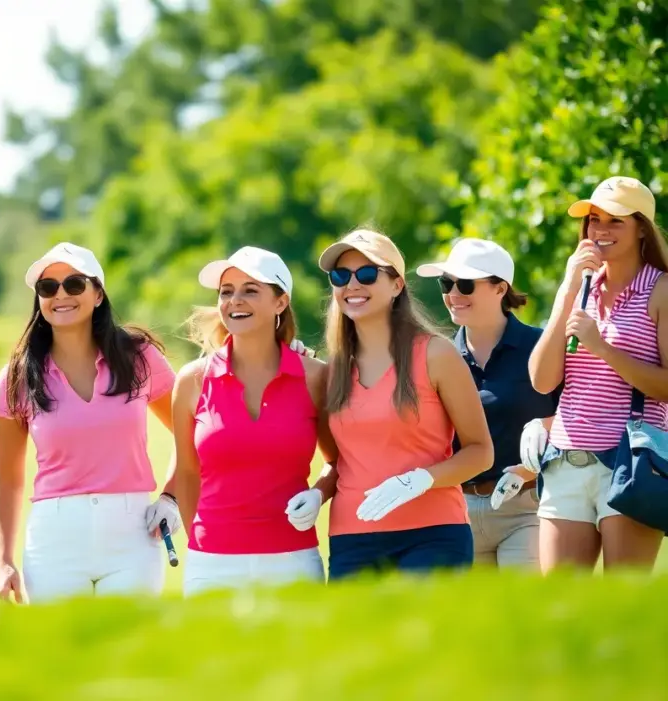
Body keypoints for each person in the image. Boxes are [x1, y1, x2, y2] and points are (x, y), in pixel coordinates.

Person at [0, 242, 179, 604]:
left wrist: (172, 497)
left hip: (133, 538)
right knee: (61, 657)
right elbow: (8, 479)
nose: (61, 295)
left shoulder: (139, 357)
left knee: (130, 652)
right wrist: (4, 561)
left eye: (75, 284)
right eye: (48, 288)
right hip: (53, 542)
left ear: (97, 295)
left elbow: (191, 434)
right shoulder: (17, 376)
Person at [306, 228, 493, 581]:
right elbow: (336, 463)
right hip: (352, 538)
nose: (352, 285)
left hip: (433, 535)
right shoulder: (330, 373)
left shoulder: (436, 354)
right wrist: (317, 495)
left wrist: (421, 480)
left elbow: (480, 451)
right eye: (340, 275)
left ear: (396, 286)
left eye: (366, 274)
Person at [165, 246, 333, 596]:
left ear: (281, 302)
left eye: (250, 290)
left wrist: (319, 494)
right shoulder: (193, 380)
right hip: (211, 566)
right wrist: (202, 546)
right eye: (226, 292)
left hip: (294, 560)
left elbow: (338, 462)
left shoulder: (316, 377)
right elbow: (186, 472)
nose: (234, 301)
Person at [527, 176, 668, 573]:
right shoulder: (580, 285)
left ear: (642, 227)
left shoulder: (661, 290)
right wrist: (568, 291)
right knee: (559, 606)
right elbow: (541, 380)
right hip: (564, 461)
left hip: (631, 463)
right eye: (593, 219)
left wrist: (602, 348)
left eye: (615, 221)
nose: (599, 230)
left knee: (622, 604)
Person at [415, 238, 559, 570]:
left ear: (500, 289)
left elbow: (575, 417)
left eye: (465, 284)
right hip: (456, 511)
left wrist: (527, 469)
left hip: (527, 508)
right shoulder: (437, 357)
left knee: (522, 614)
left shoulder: (540, 347)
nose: (452, 294)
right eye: (446, 283)